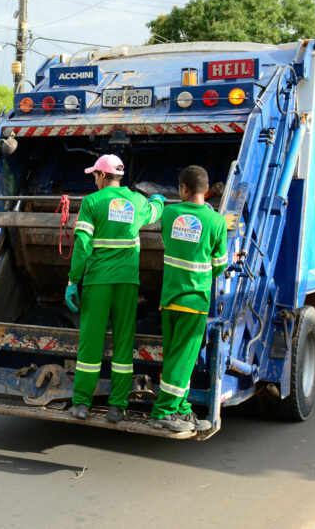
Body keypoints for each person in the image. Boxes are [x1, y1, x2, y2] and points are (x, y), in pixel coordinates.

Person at [65, 154, 165, 422]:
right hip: (127, 283)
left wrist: (73, 281)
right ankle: (117, 407)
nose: (94, 180)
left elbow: (83, 246)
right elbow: (155, 212)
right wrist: (157, 201)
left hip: (98, 282)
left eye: (94, 175)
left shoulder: (91, 202)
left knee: (91, 344)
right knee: (123, 345)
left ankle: (82, 404)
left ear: (102, 175)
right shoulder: (136, 201)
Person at [148, 165, 228, 433]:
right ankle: (163, 411)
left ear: (183, 188)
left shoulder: (170, 214)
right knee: (183, 360)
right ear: (206, 191)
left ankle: (181, 408)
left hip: (169, 299)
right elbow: (219, 266)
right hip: (194, 303)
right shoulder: (216, 221)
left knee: (175, 358)